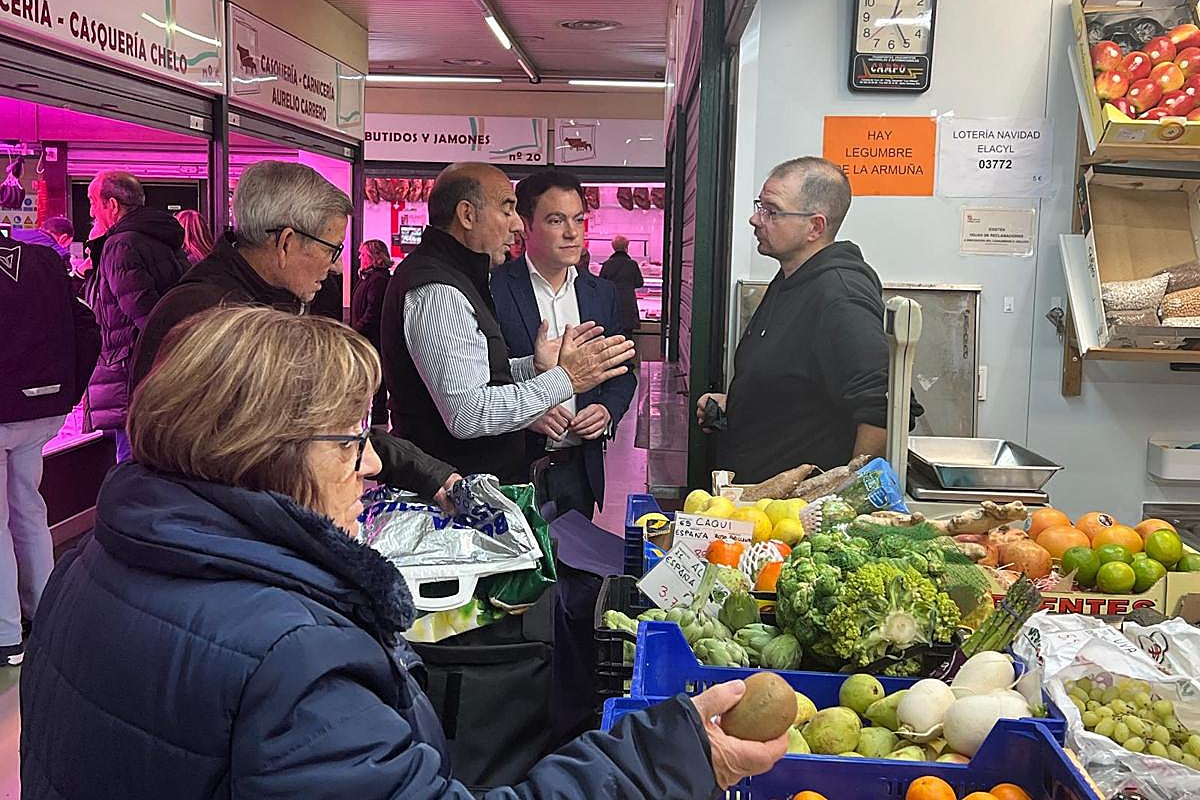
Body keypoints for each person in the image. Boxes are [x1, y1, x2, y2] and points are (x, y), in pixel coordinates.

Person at [19, 305, 787, 800]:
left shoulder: (90, 565)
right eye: (352, 440)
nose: (375, 464)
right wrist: (675, 759)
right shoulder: (293, 658)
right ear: (263, 451)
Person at [131, 161, 458, 506]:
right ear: (286, 242)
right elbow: (291, 434)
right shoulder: (216, 317)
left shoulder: (252, 300)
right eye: (333, 249)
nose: (335, 266)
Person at [380, 162, 635, 485]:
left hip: (497, 482)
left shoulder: (462, 277)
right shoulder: (439, 290)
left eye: (579, 220)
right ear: (467, 215)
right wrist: (565, 378)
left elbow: (474, 373)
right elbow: (467, 412)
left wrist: (531, 367)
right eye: (507, 210)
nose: (516, 225)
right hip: (452, 492)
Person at [696, 157, 921, 483]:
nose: (755, 219)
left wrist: (843, 496)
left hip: (802, 516)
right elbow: (798, 381)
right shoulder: (792, 278)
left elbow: (883, 407)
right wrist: (740, 404)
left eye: (771, 211)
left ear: (815, 226)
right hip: (762, 502)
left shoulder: (839, 296)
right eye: (760, 206)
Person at [492, 170, 637, 519]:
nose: (572, 233)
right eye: (556, 220)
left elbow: (622, 372)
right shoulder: (493, 288)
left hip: (578, 470)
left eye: (578, 219)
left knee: (577, 570)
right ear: (525, 225)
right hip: (512, 470)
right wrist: (525, 412)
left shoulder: (601, 293)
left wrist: (607, 412)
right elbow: (480, 375)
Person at [0, 233, 100, 666]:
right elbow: (87, 326)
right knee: (28, 510)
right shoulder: (43, 259)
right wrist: (68, 391)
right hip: (44, 405)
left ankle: (5, 634)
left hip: (5, 407)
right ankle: (43, 612)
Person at [83, 170, 189, 463]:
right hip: (160, 368)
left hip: (132, 370)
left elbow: (141, 312)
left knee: (131, 460)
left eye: (93, 203)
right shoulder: (162, 238)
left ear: (112, 205)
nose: (92, 212)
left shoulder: (120, 244)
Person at [351, 239, 393, 425]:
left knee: (376, 377)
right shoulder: (368, 278)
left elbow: (373, 312)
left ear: (373, 256)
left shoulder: (379, 280)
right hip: (366, 336)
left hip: (372, 337)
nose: (360, 257)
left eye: (363, 254)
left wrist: (355, 330)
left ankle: (378, 416)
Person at [598, 234, 645, 333]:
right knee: (627, 341)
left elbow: (600, 284)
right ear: (626, 247)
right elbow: (639, 283)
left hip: (611, 307)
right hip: (628, 308)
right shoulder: (632, 264)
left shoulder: (607, 264)